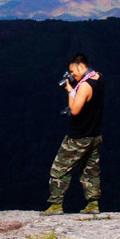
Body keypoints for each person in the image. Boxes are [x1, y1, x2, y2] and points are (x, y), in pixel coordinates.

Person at [43, 52, 104, 215]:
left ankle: (56, 205)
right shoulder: (99, 78)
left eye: (73, 71)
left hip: (79, 135)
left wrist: (70, 89)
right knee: (90, 170)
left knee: (59, 168)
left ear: (81, 66)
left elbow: (75, 110)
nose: (72, 74)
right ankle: (93, 204)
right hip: (95, 134)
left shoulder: (84, 86)